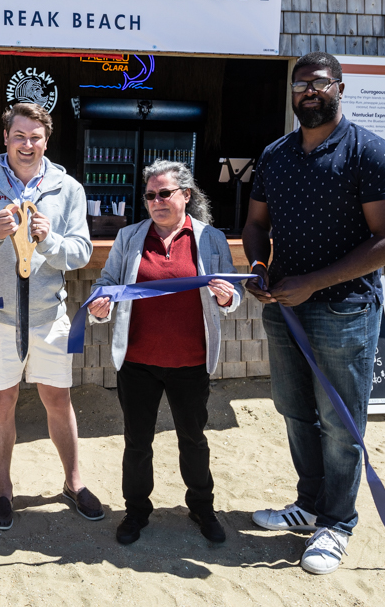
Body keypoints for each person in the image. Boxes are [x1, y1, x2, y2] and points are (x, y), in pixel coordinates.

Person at [243, 51, 385, 574]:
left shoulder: (367, 153)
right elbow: (256, 223)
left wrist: (312, 283)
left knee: (340, 423)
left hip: (344, 311)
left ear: (340, 88)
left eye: (319, 83)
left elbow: (383, 239)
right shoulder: (276, 155)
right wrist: (260, 267)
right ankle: (310, 506)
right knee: (295, 411)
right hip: (285, 310)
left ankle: (338, 523)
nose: (308, 91)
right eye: (301, 84)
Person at [0, 102, 103, 530]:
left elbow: (82, 252)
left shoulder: (67, 188)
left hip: (48, 317)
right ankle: (3, 491)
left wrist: (50, 241)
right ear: (5, 137)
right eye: (19, 136)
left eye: (35, 137)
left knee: (59, 400)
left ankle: (74, 483)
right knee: (2, 400)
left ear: (46, 140)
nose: (27, 144)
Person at [88, 160, 243, 546]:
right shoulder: (129, 237)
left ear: (185, 196)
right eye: (150, 195)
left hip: (191, 362)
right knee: (137, 442)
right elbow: (107, 283)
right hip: (138, 361)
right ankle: (136, 511)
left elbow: (232, 295)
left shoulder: (211, 239)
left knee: (193, 439)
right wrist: (99, 303)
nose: (156, 201)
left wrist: (228, 297)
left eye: (165, 193)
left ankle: (202, 509)